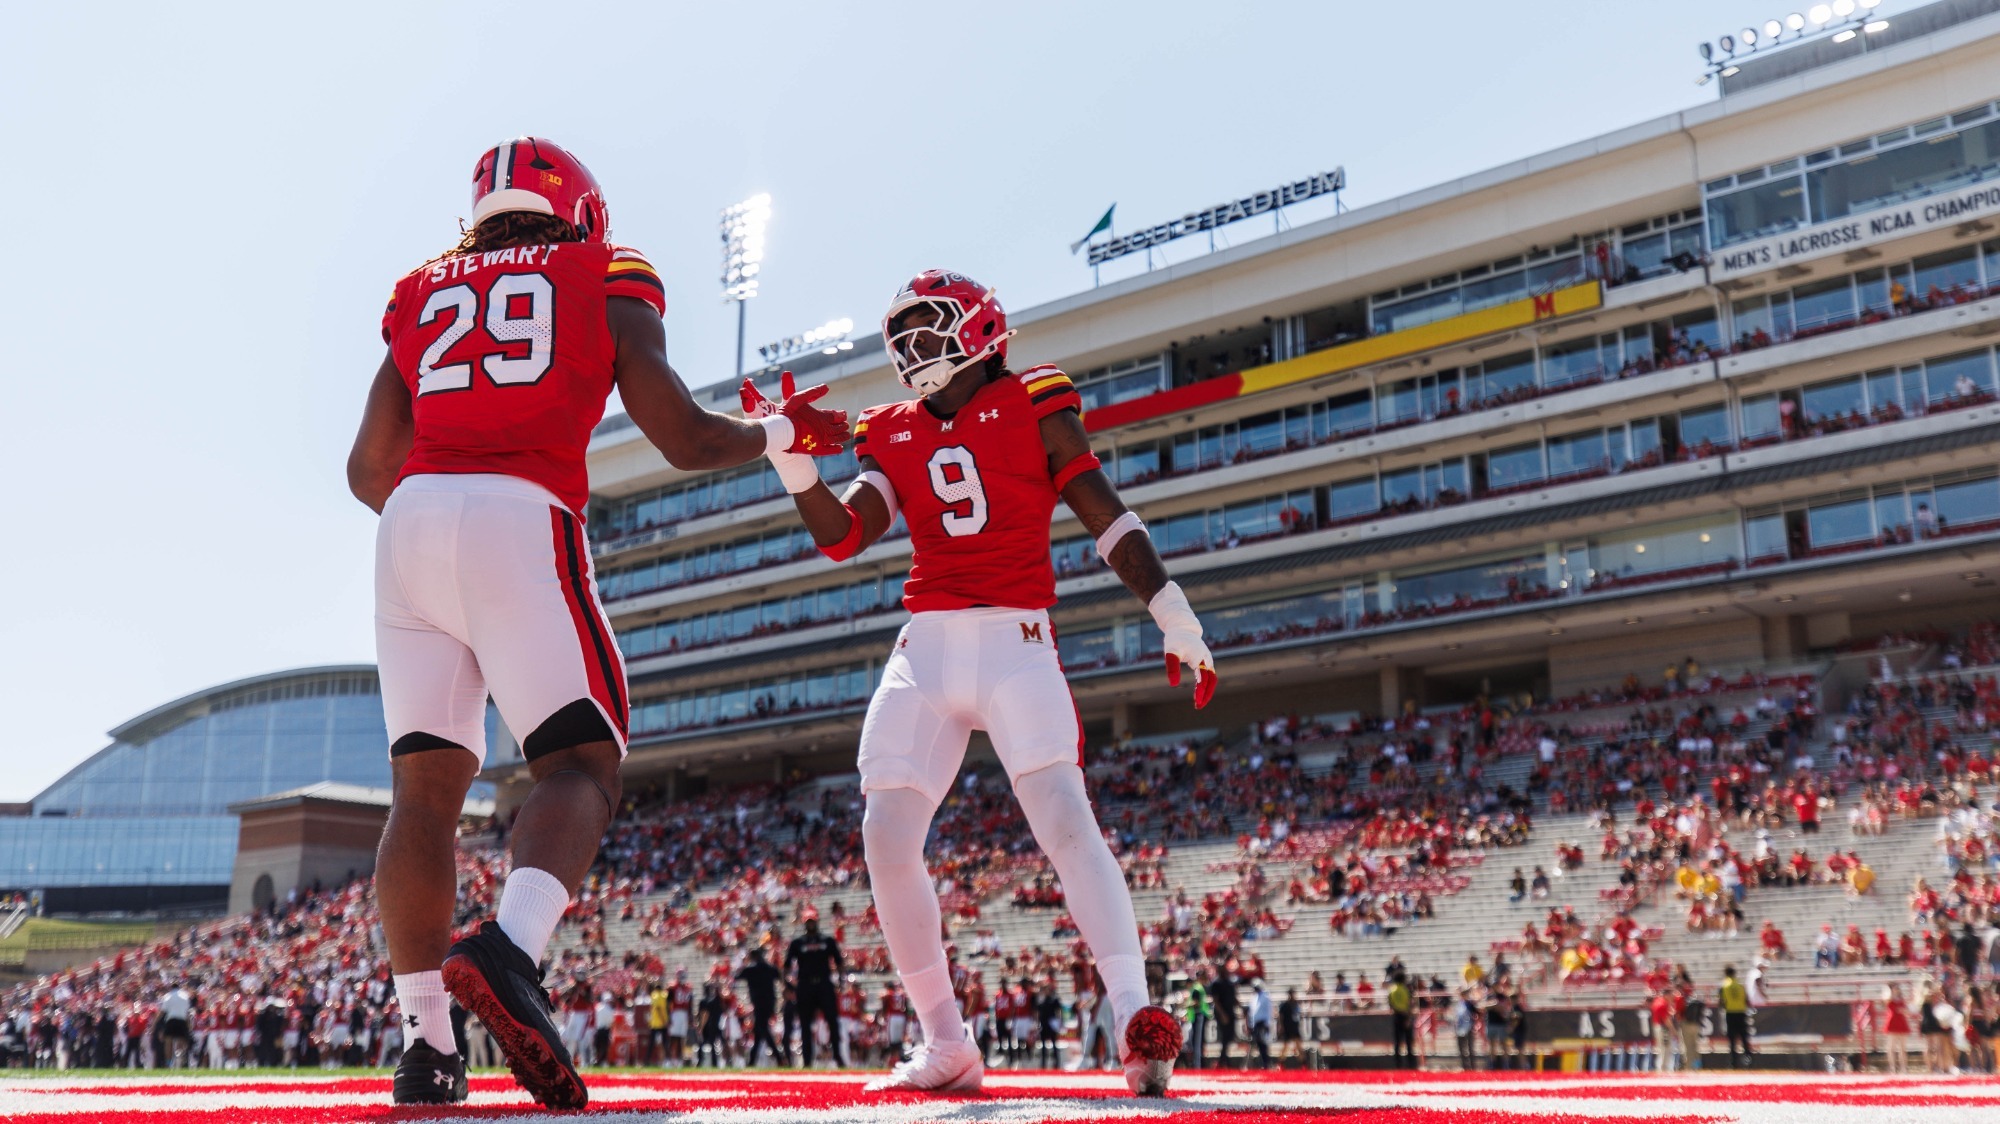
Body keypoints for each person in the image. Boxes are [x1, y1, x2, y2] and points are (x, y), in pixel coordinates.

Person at [349, 138, 849, 1109]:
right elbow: (682, 432)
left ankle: (425, 1043)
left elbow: (369, 469)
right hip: (519, 508)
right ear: (578, 211)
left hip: (407, 522)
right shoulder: (603, 268)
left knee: (421, 798)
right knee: (580, 762)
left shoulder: (419, 290)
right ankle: (509, 948)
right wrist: (783, 433)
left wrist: (442, 527)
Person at [757, 270, 1211, 1095]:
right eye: (902, 332)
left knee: (1067, 824)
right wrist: (793, 466)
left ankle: (1138, 1022)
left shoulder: (1035, 398)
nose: (911, 346)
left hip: (1017, 640)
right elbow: (846, 534)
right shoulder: (887, 427)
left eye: (929, 327)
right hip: (924, 648)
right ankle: (946, 1042)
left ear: (982, 330)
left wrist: (1171, 609)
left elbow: (1103, 511)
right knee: (885, 838)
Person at [786, 916, 846, 1068]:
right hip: (805, 985)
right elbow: (786, 966)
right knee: (805, 1024)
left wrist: (840, 981)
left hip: (824, 983)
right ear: (805, 923)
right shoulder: (798, 943)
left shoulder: (827, 941)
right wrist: (788, 986)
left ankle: (837, 1056)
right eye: (808, 921)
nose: (811, 924)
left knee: (832, 1021)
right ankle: (807, 1060)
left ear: (817, 922)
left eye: (813, 921)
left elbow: (839, 962)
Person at [735, 946, 786, 1067]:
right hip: (770, 1002)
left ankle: (779, 1057)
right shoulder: (769, 967)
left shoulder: (750, 969)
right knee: (758, 1031)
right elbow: (780, 976)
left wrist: (744, 962)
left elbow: (737, 976)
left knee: (763, 1028)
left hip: (758, 1003)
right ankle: (752, 1061)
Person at [1719, 966, 1752, 1068]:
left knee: (1732, 1039)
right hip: (1741, 1013)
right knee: (1744, 1037)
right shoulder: (1740, 985)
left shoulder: (1724, 986)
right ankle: (1749, 1059)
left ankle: (1733, 1063)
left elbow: (1721, 1002)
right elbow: (1747, 1001)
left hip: (1730, 1013)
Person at [1388, 970, 1416, 1068]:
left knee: (1397, 1042)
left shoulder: (1392, 990)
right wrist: (1409, 1018)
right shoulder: (1406, 990)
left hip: (1396, 1016)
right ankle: (1411, 1064)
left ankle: (1397, 1065)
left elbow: (1391, 1004)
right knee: (1408, 1042)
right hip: (1405, 1016)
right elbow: (1410, 1004)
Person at [1246, 980, 1273, 1069]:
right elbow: (1252, 1012)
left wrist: (1268, 1023)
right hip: (1256, 1024)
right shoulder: (1254, 997)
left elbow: (1269, 1011)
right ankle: (1260, 1063)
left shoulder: (1265, 996)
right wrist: (1251, 1024)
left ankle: (1266, 1063)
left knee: (1263, 1044)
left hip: (1263, 1023)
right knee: (1257, 1044)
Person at [1277, 986, 1304, 1067]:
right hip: (1287, 1028)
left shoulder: (1296, 1004)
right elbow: (1280, 1017)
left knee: (1299, 1046)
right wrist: (1281, 1027)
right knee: (1285, 1047)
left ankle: (1303, 1064)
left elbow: (1298, 1016)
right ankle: (1280, 1063)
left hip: (1295, 1028)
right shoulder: (1284, 1005)